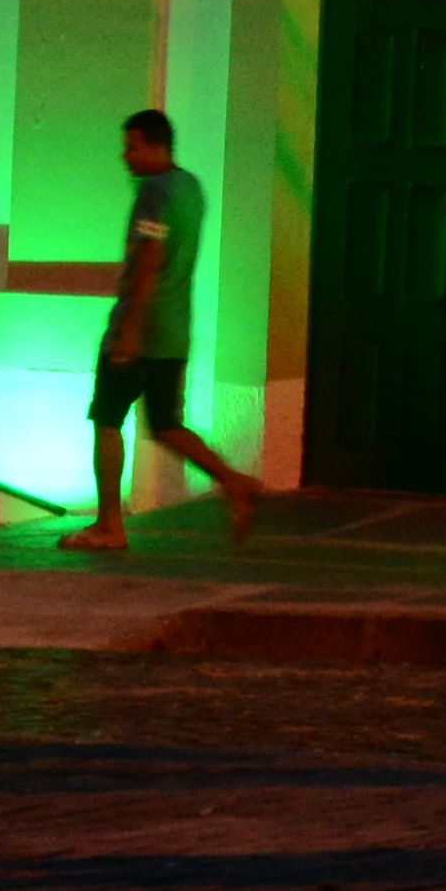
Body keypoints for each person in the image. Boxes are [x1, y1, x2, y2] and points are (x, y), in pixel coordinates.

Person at [60, 106, 267, 558]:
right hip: (174, 330)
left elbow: (150, 256)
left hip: (142, 330)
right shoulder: (191, 188)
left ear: (156, 146)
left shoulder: (154, 192)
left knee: (107, 420)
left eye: (132, 146)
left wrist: (129, 330)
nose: (125, 155)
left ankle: (109, 525)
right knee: (168, 424)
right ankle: (233, 482)